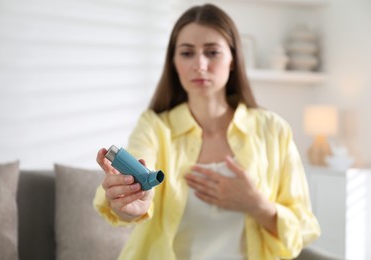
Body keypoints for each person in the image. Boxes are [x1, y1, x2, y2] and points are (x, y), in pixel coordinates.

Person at [93, 3, 320, 260]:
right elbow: (128, 198)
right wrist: (131, 203)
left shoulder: (273, 129)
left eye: (212, 52)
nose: (200, 65)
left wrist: (257, 205)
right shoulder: (155, 126)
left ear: (233, 59)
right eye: (187, 53)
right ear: (174, 62)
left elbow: (303, 228)